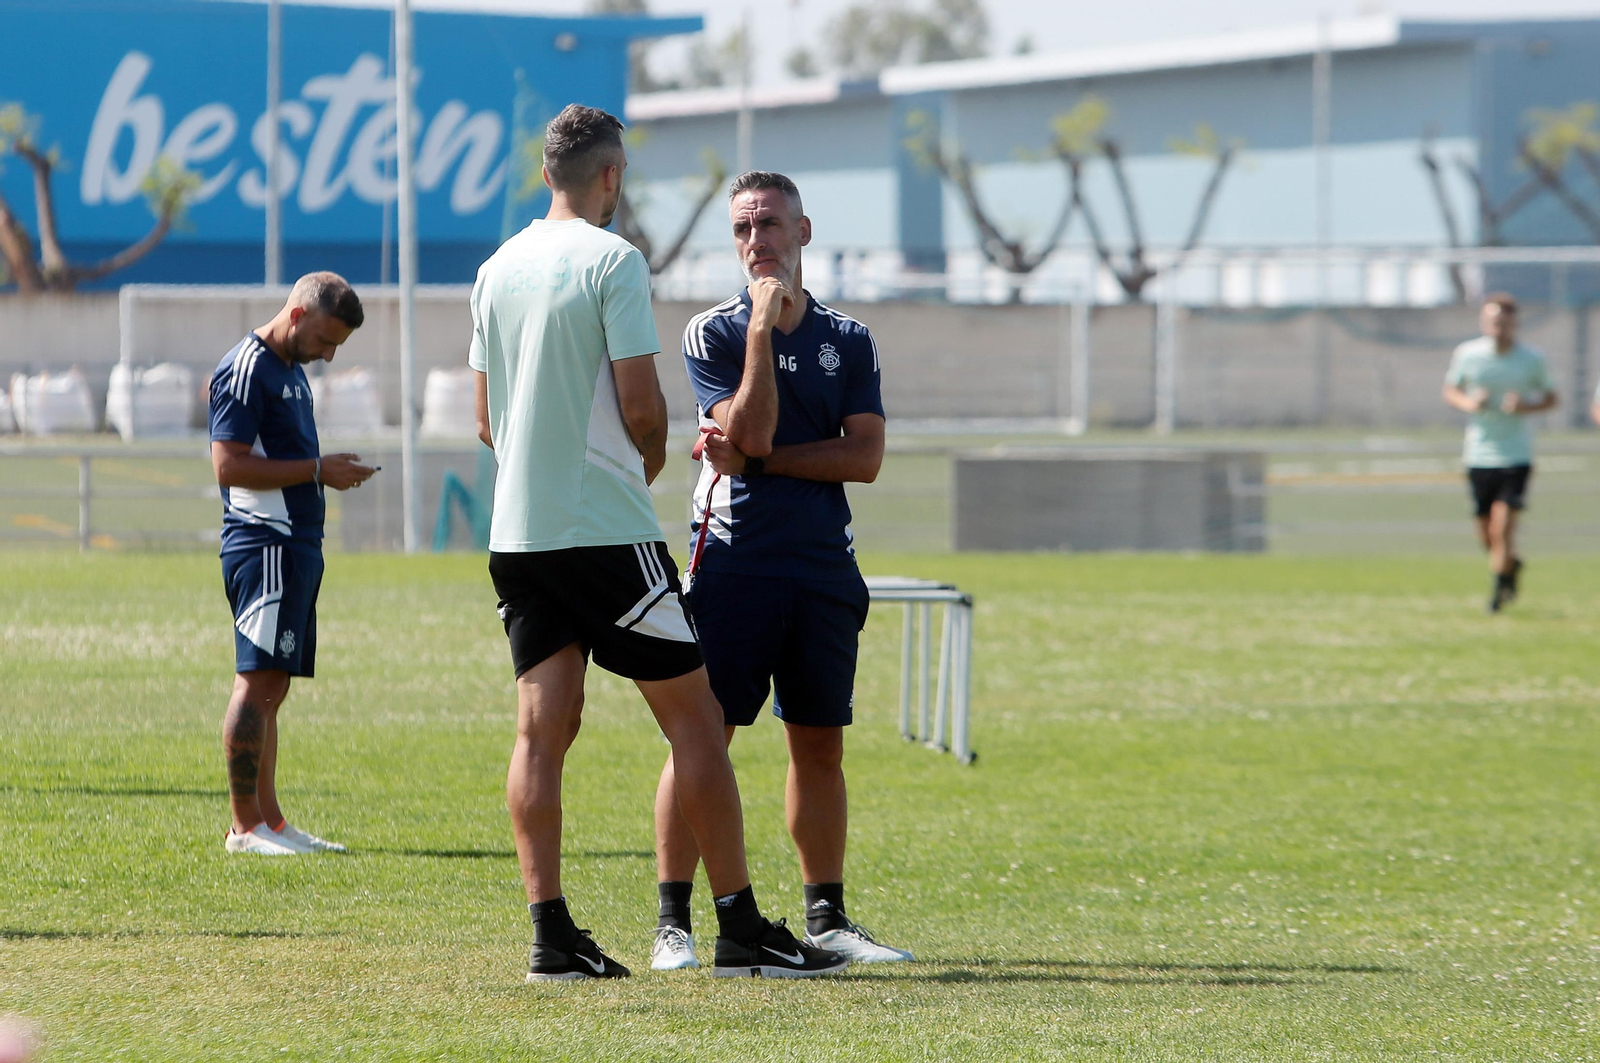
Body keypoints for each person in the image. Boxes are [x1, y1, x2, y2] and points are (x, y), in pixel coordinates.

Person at [469, 106, 846, 982]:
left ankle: (550, 935)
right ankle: (739, 924)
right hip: (607, 532)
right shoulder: (614, 260)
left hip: (518, 535)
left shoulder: (495, 269)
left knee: (541, 730)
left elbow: (486, 420)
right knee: (698, 723)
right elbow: (644, 408)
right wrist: (636, 464)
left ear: (547, 172)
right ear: (610, 177)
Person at [649, 171, 913, 972]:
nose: (755, 240)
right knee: (707, 736)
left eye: (768, 224)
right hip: (735, 564)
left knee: (820, 744)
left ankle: (827, 918)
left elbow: (862, 457)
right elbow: (752, 424)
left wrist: (769, 460)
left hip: (824, 568)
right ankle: (675, 924)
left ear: (803, 230)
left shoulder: (850, 337)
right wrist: (763, 326)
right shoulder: (715, 333)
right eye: (741, 229)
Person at [209, 272, 374, 855]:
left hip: (296, 546)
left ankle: (272, 823)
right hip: (264, 546)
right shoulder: (247, 367)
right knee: (255, 683)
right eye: (325, 341)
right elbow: (227, 467)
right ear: (298, 316)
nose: (328, 355)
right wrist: (316, 470)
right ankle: (244, 827)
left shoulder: (291, 373)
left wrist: (322, 473)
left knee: (273, 686)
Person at [1442, 292, 1558, 612]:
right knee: (1485, 533)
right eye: (1493, 320)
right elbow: (1451, 390)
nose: (1498, 326)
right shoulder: (1468, 354)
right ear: (1484, 322)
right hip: (1478, 453)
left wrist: (1525, 407)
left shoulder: (1531, 359)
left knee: (1503, 526)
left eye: (1504, 321)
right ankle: (1511, 566)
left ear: (1514, 323)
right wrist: (1469, 403)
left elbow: (1551, 398)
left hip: (1516, 454)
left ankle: (1496, 596)